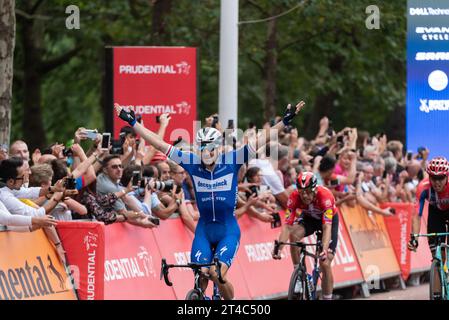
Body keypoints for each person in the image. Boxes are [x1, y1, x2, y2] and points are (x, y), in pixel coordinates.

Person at [115, 100, 305, 300]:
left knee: (216, 274)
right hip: (204, 230)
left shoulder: (231, 160)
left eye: (210, 150)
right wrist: (133, 123)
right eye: (203, 150)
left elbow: (260, 139)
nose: (206, 154)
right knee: (201, 275)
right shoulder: (191, 162)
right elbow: (159, 143)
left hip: (227, 230)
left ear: (218, 148)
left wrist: (284, 121)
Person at [272, 172, 339, 300]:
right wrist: (279, 248)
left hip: (328, 221)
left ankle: (327, 297)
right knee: (294, 235)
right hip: (309, 218)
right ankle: (298, 275)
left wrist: (324, 250)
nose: (304, 195)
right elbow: (287, 225)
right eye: (301, 192)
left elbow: (326, 227)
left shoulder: (325, 196)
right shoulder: (294, 197)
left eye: (308, 191)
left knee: (325, 263)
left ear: (314, 189)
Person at [408, 157, 449, 300]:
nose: (437, 182)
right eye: (433, 178)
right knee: (437, 256)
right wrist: (414, 238)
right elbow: (417, 216)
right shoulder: (423, 187)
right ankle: (437, 294)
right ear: (429, 176)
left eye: (441, 178)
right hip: (435, 213)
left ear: (447, 176)